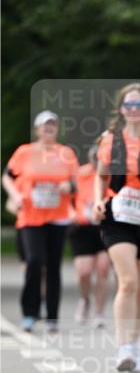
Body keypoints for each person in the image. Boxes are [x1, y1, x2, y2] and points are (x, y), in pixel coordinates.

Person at [92, 82, 140, 372]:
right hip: (117, 215)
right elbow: (100, 176)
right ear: (121, 109)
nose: (133, 110)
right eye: (128, 105)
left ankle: (133, 344)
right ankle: (122, 347)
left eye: (138, 105)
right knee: (128, 281)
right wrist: (97, 201)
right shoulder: (109, 139)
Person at [2, 110, 78, 333]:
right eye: (45, 125)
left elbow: (76, 184)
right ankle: (29, 313)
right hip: (30, 215)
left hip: (57, 216)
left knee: (53, 265)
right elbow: (6, 176)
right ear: (37, 129)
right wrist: (15, 195)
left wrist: (67, 187)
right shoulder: (25, 152)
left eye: (53, 124)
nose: (49, 128)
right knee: (35, 261)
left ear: (57, 129)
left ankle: (52, 316)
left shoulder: (66, 153)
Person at [69, 140, 111, 327]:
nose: (97, 162)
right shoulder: (80, 174)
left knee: (103, 269)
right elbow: (66, 197)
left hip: (104, 226)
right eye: (94, 158)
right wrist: (70, 213)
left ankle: (99, 312)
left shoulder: (111, 174)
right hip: (82, 226)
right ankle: (85, 299)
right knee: (84, 271)